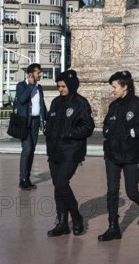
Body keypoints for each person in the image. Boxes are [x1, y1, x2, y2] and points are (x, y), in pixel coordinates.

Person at [98, 70, 139, 241]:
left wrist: (133, 132)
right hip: (112, 155)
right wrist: (108, 133)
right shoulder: (113, 106)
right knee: (112, 191)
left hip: (132, 155)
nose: (112, 90)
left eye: (114, 87)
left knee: (132, 192)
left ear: (125, 87)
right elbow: (106, 126)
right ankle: (113, 227)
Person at [45, 69, 95, 237]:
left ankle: (77, 217)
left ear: (72, 85)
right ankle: (62, 223)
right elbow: (49, 121)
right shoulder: (55, 102)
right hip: (54, 151)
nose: (60, 89)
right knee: (58, 188)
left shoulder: (81, 103)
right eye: (58, 86)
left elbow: (88, 127)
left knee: (61, 184)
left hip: (71, 151)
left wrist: (70, 134)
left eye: (63, 86)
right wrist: (48, 132)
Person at [16, 63, 47, 190]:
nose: (40, 75)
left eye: (40, 72)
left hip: (35, 122)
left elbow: (42, 105)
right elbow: (22, 100)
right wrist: (30, 86)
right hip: (24, 123)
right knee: (27, 149)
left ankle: (27, 177)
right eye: (38, 72)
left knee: (32, 150)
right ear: (31, 73)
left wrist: (46, 119)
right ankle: (22, 178)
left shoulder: (39, 88)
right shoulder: (21, 85)